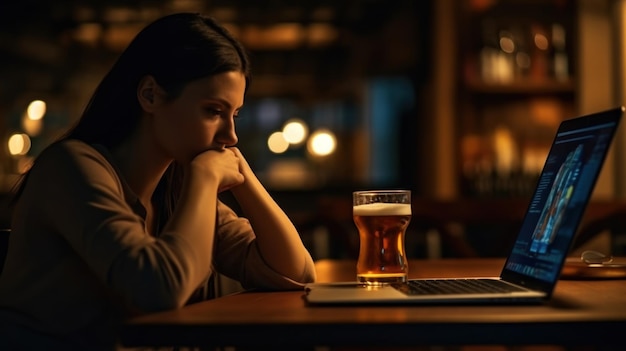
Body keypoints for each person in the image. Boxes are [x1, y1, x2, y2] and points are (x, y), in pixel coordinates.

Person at [0, 12, 316, 350]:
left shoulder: (178, 187)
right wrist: (206, 176)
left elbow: (297, 273)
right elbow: (158, 289)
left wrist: (243, 175)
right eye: (213, 111)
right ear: (150, 95)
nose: (231, 135)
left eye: (234, 115)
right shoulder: (71, 167)